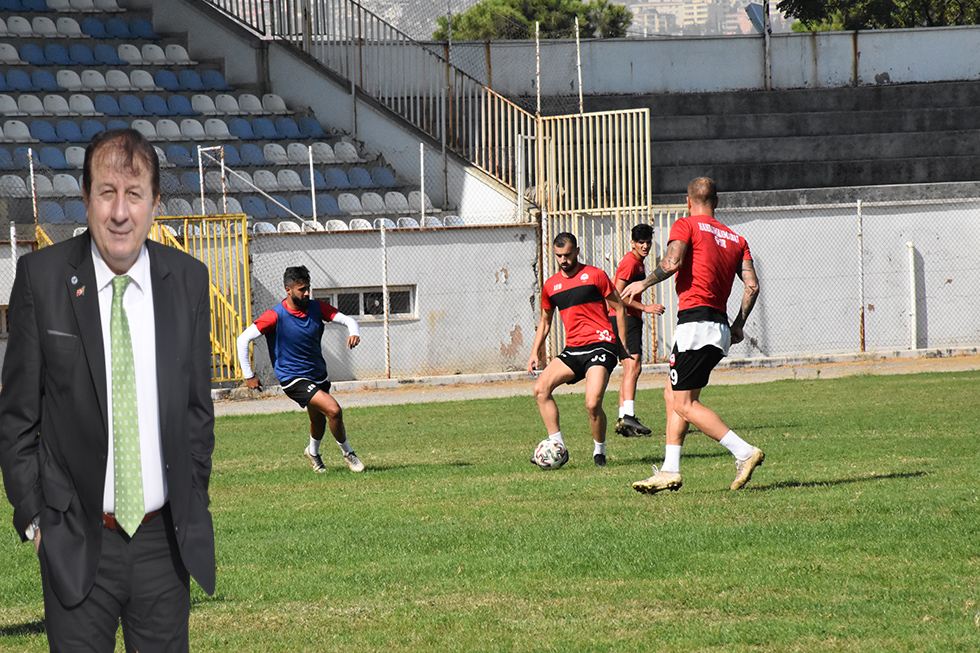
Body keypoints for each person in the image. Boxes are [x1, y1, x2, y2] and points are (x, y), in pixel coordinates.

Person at [0, 128, 216, 650]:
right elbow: (16, 417)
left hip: (164, 547)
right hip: (76, 542)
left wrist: (189, 497)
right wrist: (37, 522)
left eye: (134, 194)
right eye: (107, 192)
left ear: (155, 203)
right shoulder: (41, 279)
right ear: (86, 198)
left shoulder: (188, 280)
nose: (120, 212)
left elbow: (196, 413)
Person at [622, 177, 764, 494]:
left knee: (684, 403)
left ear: (688, 201)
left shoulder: (686, 225)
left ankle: (744, 452)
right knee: (675, 395)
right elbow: (752, 286)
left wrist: (641, 285)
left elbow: (672, 262)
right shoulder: (736, 238)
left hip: (695, 325)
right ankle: (670, 470)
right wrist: (738, 324)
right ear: (717, 201)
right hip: (719, 327)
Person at [237, 266, 365, 473]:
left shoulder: (317, 308)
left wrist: (354, 331)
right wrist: (248, 375)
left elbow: (348, 320)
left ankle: (313, 452)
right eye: (301, 289)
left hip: (318, 374)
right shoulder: (275, 316)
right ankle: (348, 453)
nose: (306, 293)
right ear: (288, 290)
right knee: (333, 410)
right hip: (293, 378)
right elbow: (243, 340)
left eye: (308, 289)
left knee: (319, 419)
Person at [527, 232, 631, 467]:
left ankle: (599, 452)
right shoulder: (551, 285)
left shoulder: (595, 275)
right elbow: (545, 321)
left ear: (577, 251)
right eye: (558, 256)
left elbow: (619, 308)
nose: (563, 260)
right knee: (540, 389)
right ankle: (558, 447)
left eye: (567, 255)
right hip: (573, 348)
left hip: (601, 345)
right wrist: (535, 352)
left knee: (592, 403)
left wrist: (621, 345)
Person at [608, 223, 665, 438]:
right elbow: (618, 296)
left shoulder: (638, 264)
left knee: (631, 369)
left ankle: (624, 419)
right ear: (632, 243)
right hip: (626, 319)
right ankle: (628, 416)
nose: (645, 246)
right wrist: (646, 308)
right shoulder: (630, 263)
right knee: (633, 368)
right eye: (641, 242)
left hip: (630, 319)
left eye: (648, 242)